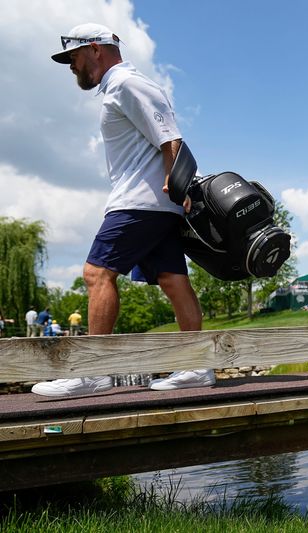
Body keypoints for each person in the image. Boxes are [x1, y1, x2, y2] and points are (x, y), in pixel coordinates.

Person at [33, 23, 214, 397]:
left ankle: (94, 371)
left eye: (74, 56)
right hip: (156, 205)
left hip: (139, 203)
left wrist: (174, 184)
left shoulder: (128, 83)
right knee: (173, 280)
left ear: (96, 49)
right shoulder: (117, 87)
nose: (71, 65)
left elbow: (172, 138)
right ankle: (197, 366)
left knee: (97, 274)